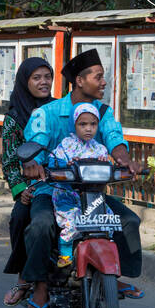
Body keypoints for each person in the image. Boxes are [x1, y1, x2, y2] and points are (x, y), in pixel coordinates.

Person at [20, 49, 145, 308]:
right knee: (41, 225)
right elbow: (37, 143)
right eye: (98, 77)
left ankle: (113, 275)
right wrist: (34, 162)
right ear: (79, 80)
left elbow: (114, 139)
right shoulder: (48, 113)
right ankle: (40, 287)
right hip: (52, 191)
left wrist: (125, 161)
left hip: (90, 192)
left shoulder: (102, 112)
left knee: (128, 221)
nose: (104, 82)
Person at [1, 57, 54, 306]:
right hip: (32, 186)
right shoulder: (14, 118)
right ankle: (24, 278)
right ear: (25, 81)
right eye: (37, 77)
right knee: (21, 218)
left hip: (63, 182)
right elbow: (11, 163)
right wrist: (21, 189)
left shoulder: (58, 109)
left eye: (47, 76)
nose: (44, 82)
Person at [49, 104, 112, 265]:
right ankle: (65, 253)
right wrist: (65, 164)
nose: (88, 129)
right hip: (68, 197)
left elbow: (107, 169)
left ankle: (106, 251)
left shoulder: (100, 149)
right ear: (73, 124)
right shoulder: (66, 145)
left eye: (93, 124)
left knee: (109, 220)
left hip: (94, 199)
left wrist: (106, 163)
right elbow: (54, 161)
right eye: (82, 124)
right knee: (72, 222)